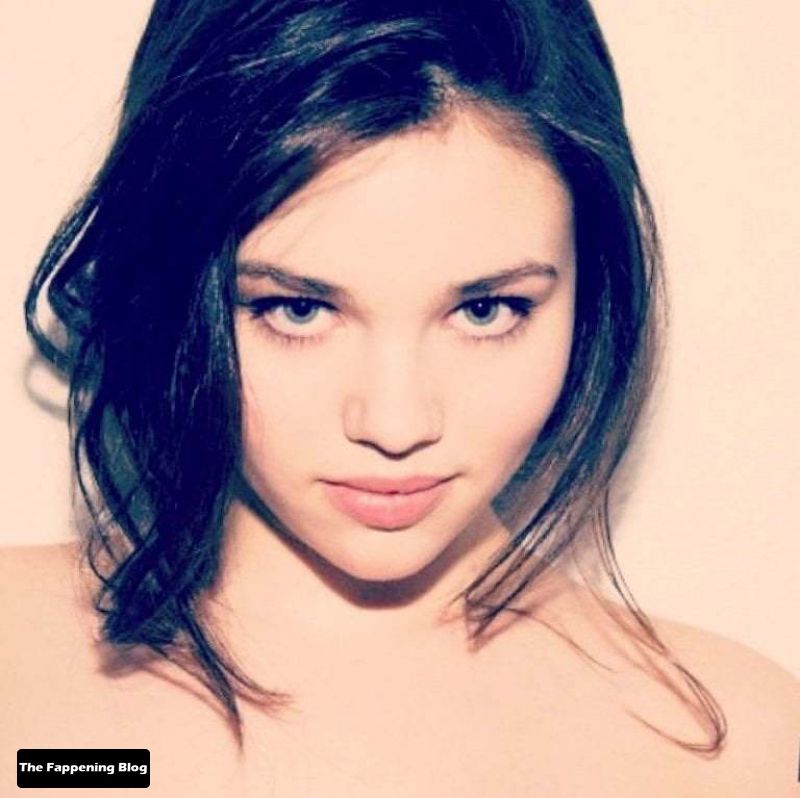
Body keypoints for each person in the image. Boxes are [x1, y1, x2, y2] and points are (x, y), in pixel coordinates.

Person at [2, 0, 797, 795]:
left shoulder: (732, 749)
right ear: (170, 288)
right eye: (297, 310)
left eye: (486, 311)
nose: (396, 423)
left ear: (590, 300)